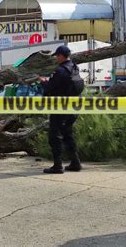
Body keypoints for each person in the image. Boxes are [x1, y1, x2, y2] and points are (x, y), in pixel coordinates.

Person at [40, 46, 83, 174]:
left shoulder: (60, 70)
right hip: (73, 108)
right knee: (67, 134)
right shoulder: (74, 67)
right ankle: (75, 162)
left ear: (60, 56)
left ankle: (57, 166)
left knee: (55, 136)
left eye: (56, 56)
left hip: (60, 108)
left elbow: (49, 88)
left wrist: (43, 81)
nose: (55, 58)